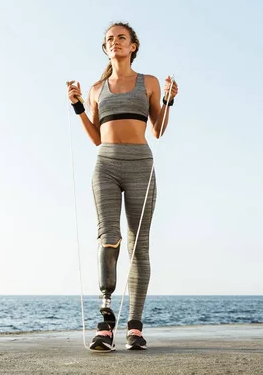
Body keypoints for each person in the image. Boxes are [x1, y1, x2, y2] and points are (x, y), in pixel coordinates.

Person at [66, 22, 178, 351]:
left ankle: (135, 326)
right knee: (108, 236)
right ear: (105, 48)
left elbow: (157, 131)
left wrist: (169, 101)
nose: (115, 42)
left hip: (141, 164)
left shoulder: (150, 83)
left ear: (133, 47)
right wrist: (78, 107)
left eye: (122, 38)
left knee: (138, 246)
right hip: (106, 165)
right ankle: (105, 321)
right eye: (110, 39)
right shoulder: (97, 88)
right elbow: (97, 137)